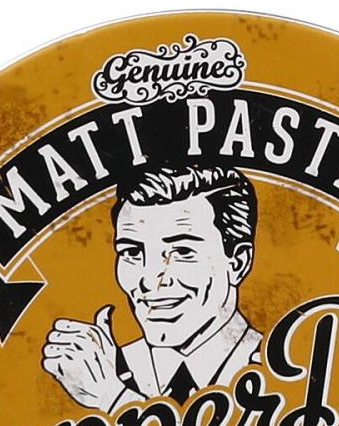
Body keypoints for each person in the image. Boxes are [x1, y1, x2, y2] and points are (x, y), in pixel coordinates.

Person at [42, 165, 262, 412]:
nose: (149, 279)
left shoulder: (283, 369)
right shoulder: (92, 372)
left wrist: (112, 398)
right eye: (132, 252)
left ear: (238, 262)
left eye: (182, 251)